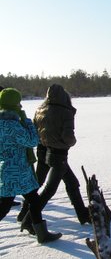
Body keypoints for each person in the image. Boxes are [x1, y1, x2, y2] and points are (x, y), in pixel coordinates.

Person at [19, 84, 90, 234]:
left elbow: (35, 130)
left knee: (71, 183)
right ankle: (28, 220)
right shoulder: (65, 112)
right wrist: (71, 142)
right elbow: (68, 137)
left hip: (43, 151)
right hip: (58, 154)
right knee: (49, 190)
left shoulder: (39, 109)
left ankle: (83, 215)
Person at [0, 88, 62, 243]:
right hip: (17, 170)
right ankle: (42, 234)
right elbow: (32, 141)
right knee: (7, 204)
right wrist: (27, 122)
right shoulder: (12, 125)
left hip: (7, 169)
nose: (21, 105)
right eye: (18, 102)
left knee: (32, 200)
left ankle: (41, 233)